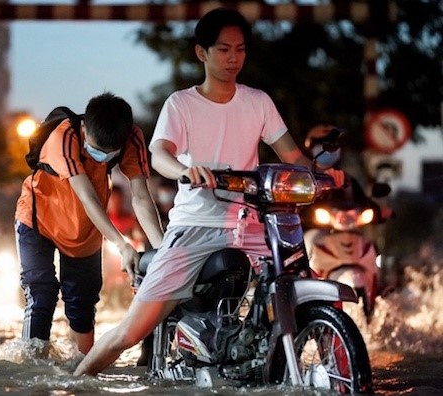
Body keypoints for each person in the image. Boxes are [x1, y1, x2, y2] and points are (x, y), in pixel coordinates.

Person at [74, 8, 344, 376]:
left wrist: (324, 174)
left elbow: (292, 156)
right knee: (131, 332)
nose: (233, 58)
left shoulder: (258, 102)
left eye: (240, 49)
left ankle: (337, 366)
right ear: (201, 53)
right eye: (223, 49)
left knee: (302, 280)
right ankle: (74, 381)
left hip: (253, 224)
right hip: (195, 225)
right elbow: (159, 154)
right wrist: (186, 171)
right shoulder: (182, 105)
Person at [14, 92, 164, 354]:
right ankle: (31, 368)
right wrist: (122, 244)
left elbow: (141, 196)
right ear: (84, 128)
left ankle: (82, 370)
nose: (101, 158)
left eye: (110, 154)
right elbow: (88, 198)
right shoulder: (64, 136)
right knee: (42, 294)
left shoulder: (132, 138)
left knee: (82, 304)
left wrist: (164, 250)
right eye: (95, 150)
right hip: (38, 221)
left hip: (84, 229)